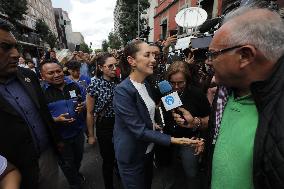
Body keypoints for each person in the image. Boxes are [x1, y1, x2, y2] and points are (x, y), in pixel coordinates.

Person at [175, 7, 284, 189]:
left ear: (245, 56)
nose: (208, 61)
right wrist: (196, 122)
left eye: (213, 54)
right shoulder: (226, 89)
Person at [113, 40, 204, 189]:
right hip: (132, 156)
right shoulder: (122, 91)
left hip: (148, 152)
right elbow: (139, 130)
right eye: (147, 55)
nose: (153, 59)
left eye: (154, 55)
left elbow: (146, 114)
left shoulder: (146, 85)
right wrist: (176, 140)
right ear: (132, 61)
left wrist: (153, 123)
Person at [0, 18, 62, 189]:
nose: (15, 54)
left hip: (47, 158)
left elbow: (43, 113)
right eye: (5, 47)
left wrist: (57, 140)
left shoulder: (28, 76)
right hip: (14, 173)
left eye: (15, 47)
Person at [158, 61, 210, 189]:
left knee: (191, 174)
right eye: (172, 83)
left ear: (187, 80)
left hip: (189, 139)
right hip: (168, 140)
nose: (176, 86)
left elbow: (209, 118)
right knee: (167, 174)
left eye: (180, 82)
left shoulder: (197, 94)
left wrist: (194, 122)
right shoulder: (165, 93)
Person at [40, 61, 86, 189]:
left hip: (77, 133)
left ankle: (75, 174)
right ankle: (74, 184)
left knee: (78, 158)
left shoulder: (73, 85)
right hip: (60, 138)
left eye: (58, 71)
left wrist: (82, 106)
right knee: (67, 163)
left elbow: (82, 101)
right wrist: (55, 120)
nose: (56, 75)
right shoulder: (40, 93)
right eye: (51, 73)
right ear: (43, 76)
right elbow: (40, 117)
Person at [86, 52, 118, 189]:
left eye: (115, 65)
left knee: (120, 153)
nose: (114, 68)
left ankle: (120, 172)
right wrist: (91, 135)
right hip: (104, 125)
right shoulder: (94, 85)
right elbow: (90, 112)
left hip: (120, 124)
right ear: (100, 67)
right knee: (108, 159)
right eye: (110, 66)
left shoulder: (119, 81)